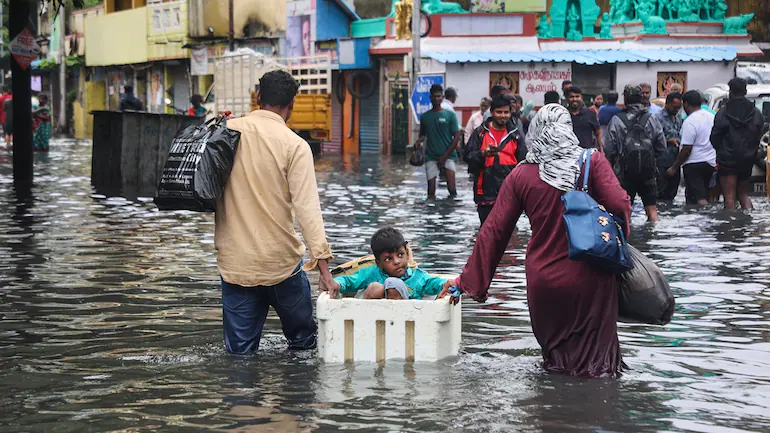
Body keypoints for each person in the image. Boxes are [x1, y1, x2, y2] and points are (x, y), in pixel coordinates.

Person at [439, 104, 631, 378]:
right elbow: (621, 205)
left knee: (556, 362)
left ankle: (551, 415)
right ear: (568, 128)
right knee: (598, 367)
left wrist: (468, 282)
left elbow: (494, 231)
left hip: (544, 282)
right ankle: (590, 411)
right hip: (591, 277)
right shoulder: (592, 161)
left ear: (536, 132)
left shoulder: (521, 174)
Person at [216, 70, 335, 355]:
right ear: (291, 105)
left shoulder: (226, 133)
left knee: (239, 358)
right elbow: (308, 212)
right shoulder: (294, 145)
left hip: (236, 266)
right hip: (282, 266)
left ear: (258, 98)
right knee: (304, 347)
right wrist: (324, 270)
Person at [330, 227, 455, 299]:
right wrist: (336, 284)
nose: (396, 262)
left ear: (407, 253)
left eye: (400, 255)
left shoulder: (418, 277)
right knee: (377, 288)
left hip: (408, 326)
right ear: (379, 263)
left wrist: (451, 284)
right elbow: (349, 281)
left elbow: (436, 284)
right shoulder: (371, 273)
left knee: (393, 284)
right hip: (371, 326)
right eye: (388, 259)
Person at [606, 85, 666, 222]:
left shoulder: (616, 120)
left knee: (625, 210)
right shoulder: (652, 119)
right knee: (652, 211)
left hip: (624, 172)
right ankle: (653, 237)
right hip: (648, 171)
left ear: (625, 99)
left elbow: (610, 149)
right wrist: (649, 159)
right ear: (641, 98)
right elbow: (662, 147)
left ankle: (627, 238)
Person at [464, 96, 525, 225]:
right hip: (485, 192)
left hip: (510, 192)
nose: (503, 116)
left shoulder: (516, 135)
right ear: (492, 112)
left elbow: (523, 163)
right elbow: (467, 158)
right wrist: (482, 154)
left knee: (507, 232)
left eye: (506, 112)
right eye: (499, 112)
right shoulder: (480, 133)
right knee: (486, 231)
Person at [710, 77, 764, 210]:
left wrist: (722, 151)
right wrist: (751, 151)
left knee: (729, 198)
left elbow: (714, 137)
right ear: (745, 91)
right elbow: (758, 134)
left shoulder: (723, 113)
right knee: (743, 194)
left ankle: (731, 227)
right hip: (747, 159)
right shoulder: (756, 113)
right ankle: (749, 223)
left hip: (727, 160)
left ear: (730, 92)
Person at [666, 90, 717, 206]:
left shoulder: (690, 121)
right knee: (709, 197)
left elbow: (687, 149)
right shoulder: (712, 117)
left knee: (697, 198)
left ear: (686, 104)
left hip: (694, 165)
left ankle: (701, 218)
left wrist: (674, 167)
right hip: (712, 163)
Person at [413, 84, 462, 198]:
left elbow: (456, 137)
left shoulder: (450, 115)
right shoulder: (425, 117)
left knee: (452, 189)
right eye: (434, 96)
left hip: (449, 156)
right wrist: (418, 142)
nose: (436, 99)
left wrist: (445, 156)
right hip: (431, 156)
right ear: (430, 97)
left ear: (442, 97)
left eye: (439, 96)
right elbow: (423, 135)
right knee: (430, 192)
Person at [654, 92, 684, 201]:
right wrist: (667, 141)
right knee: (660, 194)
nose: (676, 110)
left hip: (675, 160)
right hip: (661, 161)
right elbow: (651, 138)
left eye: (679, 108)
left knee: (672, 194)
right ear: (667, 104)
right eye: (675, 107)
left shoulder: (679, 118)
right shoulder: (657, 118)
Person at [566, 86, 602, 151]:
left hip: (586, 155)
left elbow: (598, 132)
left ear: (581, 98)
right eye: (572, 97)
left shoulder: (590, 114)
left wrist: (601, 151)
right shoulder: (563, 114)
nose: (575, 99)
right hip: (567, 155)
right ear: (567, 98)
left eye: (577, 96)